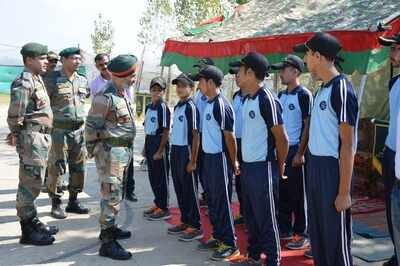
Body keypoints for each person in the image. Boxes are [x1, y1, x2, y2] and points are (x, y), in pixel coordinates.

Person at [294, 32, 358, 266]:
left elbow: (348, 144)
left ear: (318, 56)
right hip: (315, 166)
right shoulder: (322, 89)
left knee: (335, 238)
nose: (305, 60)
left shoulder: (341, 88)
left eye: (307, 54)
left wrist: (343, 192)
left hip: (333, 170)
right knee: (319, 234)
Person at [231, 52, 289, 265]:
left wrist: (280, 167)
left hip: (263, 168)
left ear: (251, 73)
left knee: (266, 217)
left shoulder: (267, 99)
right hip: (248, 167)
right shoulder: (247, 99)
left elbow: (282, 139)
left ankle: (273, 260)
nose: (237, 75)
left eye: (240, 71)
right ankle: (254, 255)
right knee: (251, 216)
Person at [85, 54, 138, 260]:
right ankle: (107, 243)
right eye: (132, 75)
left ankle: (109, 228)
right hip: (110, 155)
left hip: (121, 153)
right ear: (124, 74)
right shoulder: (105, 97)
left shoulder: (121, 93)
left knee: (114, 194)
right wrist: (94, 153)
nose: (134, 78)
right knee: (111, 196)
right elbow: (91, 128)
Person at [7, 42, 58, 245]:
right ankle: (27, 230)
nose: (47, 61)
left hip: (40, 138)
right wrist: (19, 137)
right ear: (29, 60)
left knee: (35, 181)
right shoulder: (25, 82)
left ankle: (32, 220)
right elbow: (14, 115)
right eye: (42, 58)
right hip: (32, 139)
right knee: (29, 184)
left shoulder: (37, 79)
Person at [192, 65, 239, 261]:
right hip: (208, 158)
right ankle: (218, 236)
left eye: (201, 81)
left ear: (211, 83)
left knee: (221, 201)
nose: (199, 84)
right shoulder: (208, 103)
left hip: (219, 159)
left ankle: (230, 243)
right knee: (212, 200)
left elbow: (230, 137)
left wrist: (234, 160)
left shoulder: (222, 104)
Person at [272, 55, 312, 249]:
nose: (281, 73)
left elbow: (308, 125)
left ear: (295, 72)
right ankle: (285, 227)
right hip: (282, 150)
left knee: (298, 193)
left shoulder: (303, 94)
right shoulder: (280, 95)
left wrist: (301, 153)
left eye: (284, 70)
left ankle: (302, 232)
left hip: (295, 148)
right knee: (283, 191)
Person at [44, 47, 90, 219]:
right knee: (57, 167)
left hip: (78, 130)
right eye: (73, 58)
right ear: (63, 59)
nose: (77, 61)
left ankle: (73, 201)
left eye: (79, 58)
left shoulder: (82, 80)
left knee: (79, 167)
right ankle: (56, 203)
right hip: (59, 131)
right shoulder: (51, 79)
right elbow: (43, 104)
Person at [167, 72, 203, 241]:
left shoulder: (191, 107)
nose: (180, 89)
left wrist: (193, 160)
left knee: (189, 189)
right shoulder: (178, 106)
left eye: (183, 86)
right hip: (175, 151)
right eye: (178, 86)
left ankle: (195, 226)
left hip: (186, 152)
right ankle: (185, 220)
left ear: (192, 88)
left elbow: (196, 135)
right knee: (180, 188)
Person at [379, 32, 400, 266]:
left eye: (395, 48)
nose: (391, 53)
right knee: (391, 208)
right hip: (392, 153)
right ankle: (397, 251)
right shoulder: (394, 82)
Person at [142, 76, 171, 221]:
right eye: (154, 90)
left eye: (159, 90)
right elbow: (147, 128)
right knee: (153, 176)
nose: (156, 93)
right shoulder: (149, 106)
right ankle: (157, 202)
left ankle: (164, 207)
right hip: (150, 142)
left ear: (164, 92)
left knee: (161, 177)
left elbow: (166, 130)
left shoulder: (163, 107)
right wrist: (145, 147)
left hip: (160, 142)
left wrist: (161, 151)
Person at [193, 57, 215, 206]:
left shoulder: (212, 93)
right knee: (201, 168)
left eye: (202, 67)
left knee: (208, 171)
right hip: (198, 135)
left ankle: (210, 195)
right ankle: (206, 194)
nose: (199, 70)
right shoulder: (198, 90)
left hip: (207, 136)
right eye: (199, 68)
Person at [229, 65, 245, 226]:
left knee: (249, 183)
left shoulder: (254, 95)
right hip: (237, 142)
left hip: (250, 143)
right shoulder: (236, 95)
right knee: (239, 180)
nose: (236, 77)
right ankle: (243, 212)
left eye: (238, 74)